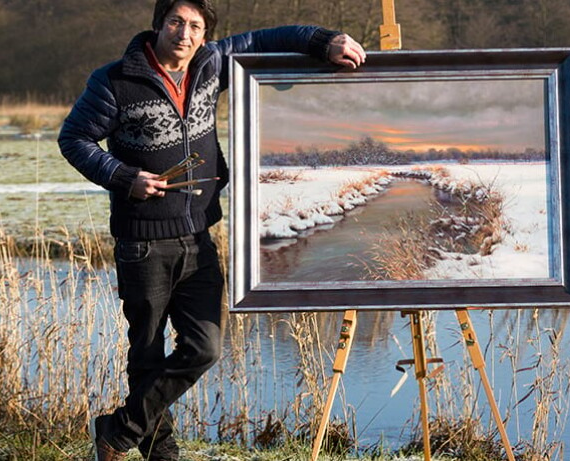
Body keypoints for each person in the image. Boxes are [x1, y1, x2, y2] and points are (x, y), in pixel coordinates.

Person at [58, 1, 366, 460]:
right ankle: (159, 450)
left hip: (199, 233)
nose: (184, 34)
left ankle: (118, 430)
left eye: (195, 26)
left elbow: (268, 39)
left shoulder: (211, 63)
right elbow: (74, 139)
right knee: (145, 351)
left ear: (204, 36)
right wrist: (125, 177)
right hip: (141, 240)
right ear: (159, 25)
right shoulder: (114, 80)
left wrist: (326, 42)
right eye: (176, 23)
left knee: (205, 346)